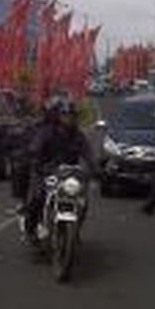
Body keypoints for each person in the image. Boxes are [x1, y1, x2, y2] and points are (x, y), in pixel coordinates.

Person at [23, 96, 96, 244]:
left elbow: (87, 152)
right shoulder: (47, 132)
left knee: (82, 201)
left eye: (71, 115)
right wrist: (35, 157)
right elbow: (36, 147)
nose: (68, 118)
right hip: (47, 173)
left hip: (70, 176)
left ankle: (75, 231)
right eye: (65, 115)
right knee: (37, 198)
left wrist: (94, 166)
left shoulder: (78, 136)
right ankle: (31, 231)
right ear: (58, 116)